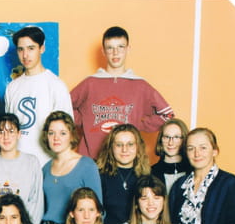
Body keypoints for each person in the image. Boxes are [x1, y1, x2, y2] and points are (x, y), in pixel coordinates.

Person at [71, 26, 174, 159]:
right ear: (103, 51)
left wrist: (138, 124)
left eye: (120, 47)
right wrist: (84, 121)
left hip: (125, 160)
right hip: (92, 159)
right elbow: (63, 106)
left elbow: (167, 114)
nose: (115, 53)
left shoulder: (140, 85)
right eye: (110, 48)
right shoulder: (90, 83)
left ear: (128, 49)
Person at [4, 25, 73, 168]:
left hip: (47, 165)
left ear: (42, 49)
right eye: (21, 49)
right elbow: (9, 131)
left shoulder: (56, 85)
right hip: (17, 165)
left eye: (31, 48)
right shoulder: (12, 87)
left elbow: (67, 131)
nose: (25, 55)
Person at [40, 111, 103, 224]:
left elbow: (98, 209)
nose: (56, 138)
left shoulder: (87, 165)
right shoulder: (46, 168)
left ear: (71, 136)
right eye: (51, 133)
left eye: (62, 133)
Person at [0, 113, 44, 224]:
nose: (6, 137)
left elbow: (36, 203)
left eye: (11, 131)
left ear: (19, 134)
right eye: (1, 132)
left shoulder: (31, 162)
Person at [97, 123, 150, 224]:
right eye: (119, 145)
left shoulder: (147, 177)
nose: (124, 150)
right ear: (111, 147)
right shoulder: (99, 176)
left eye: (130, 144)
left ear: (138, 147)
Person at [151, 118, 192, 192]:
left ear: (184, 139)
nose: (170, 143)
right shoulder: (150, 173)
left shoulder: (193, 171)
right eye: (167, 137)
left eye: (176, 137)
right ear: (160, 140)